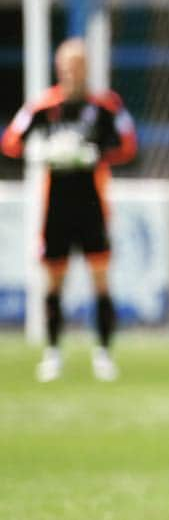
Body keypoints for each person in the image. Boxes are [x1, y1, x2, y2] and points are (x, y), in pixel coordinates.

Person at [1, 37, 137, 382]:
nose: (71, 72)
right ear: (58, 68)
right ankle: (53, 353)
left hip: (92, 204)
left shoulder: (106, 106)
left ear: (87, 68)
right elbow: (11, 142)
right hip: (56, 205)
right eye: (65, 66)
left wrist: (97, 154)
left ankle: (104, 353)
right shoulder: (44, 106)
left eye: (77, 65)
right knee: (54, 281)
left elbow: (129, 146)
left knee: (101, 280)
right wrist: (43, 151)